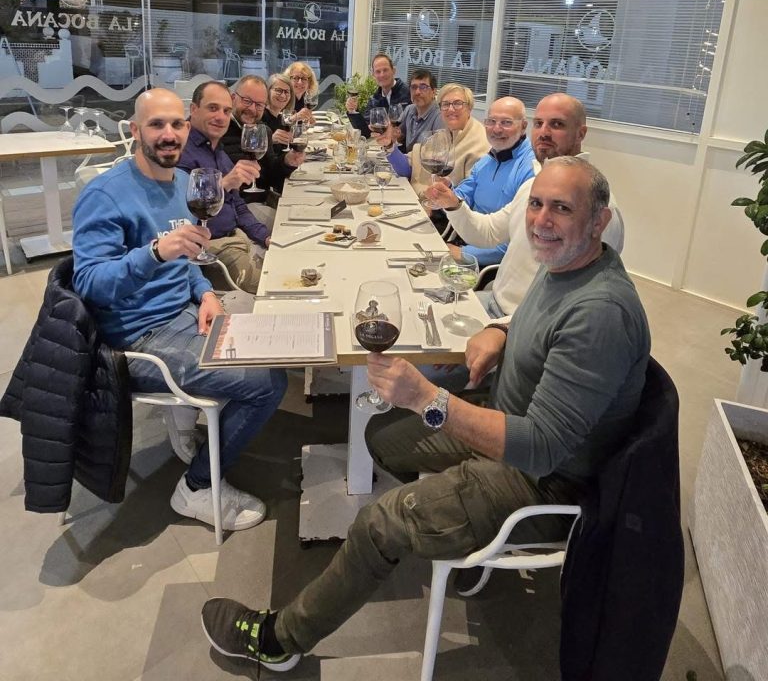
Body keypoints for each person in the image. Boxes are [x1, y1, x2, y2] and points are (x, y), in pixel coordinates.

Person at [201, 158, 650, 671]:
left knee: (378, 522)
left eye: (562, 209)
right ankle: (455, 514)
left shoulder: (600, 314)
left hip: (542, 482)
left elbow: (542, 447)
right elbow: (535, 324)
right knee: (382, 436)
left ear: (599, 221)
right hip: (507, 425)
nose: (541, 220)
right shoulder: (565, 266)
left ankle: (280, 640)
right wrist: (499, 330)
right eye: (536, 204)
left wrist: (428, 399)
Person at [72, 88, 287, 532]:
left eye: (175, 125)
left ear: (187, 128)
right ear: (136, 131)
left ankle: (198, 429)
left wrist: (204, 294)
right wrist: (154, 251)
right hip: (139, 338)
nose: (168, 134)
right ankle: (196, 487)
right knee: (268, 382)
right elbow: (89, 284)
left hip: (186, 314)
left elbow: (186, 259)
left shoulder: (181, 184)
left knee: (277, 338)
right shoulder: (105, 195)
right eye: (156, 125)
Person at [426, 92, 625, 320]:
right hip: (493, 302)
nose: (544, 132)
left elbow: (579, 304)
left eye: (557, 124)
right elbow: (488, 232)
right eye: (539, 123)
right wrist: (453, 205)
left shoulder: (597, 206)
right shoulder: (534, 184)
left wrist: (503, 329)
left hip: (520, 323)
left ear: (581, 133)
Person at [179, 80, 271, 293]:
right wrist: (225, 183)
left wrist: (265, 236)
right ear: (194, 109)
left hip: (237, 238)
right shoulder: (181, 150)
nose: (221, 117)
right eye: (213, 108)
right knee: (276, 283)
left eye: (226, 111)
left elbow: (238, 206)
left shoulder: (217, 149)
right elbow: (180, 211)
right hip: (213, 249)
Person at [448, 96, 535, 267]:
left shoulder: (531, 170)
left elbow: (517, 239)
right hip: (464, 238)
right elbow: (464, 194)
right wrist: (447, 193)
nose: (496, 129)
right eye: (491, 121)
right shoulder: (488, 158)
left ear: (524, 126)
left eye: (506, 122)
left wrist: (464, 253)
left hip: (487, 264)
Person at [218, 74, 304, 229]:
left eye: (259, 105)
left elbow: (271, 178)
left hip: (261, 200)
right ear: (233, 98)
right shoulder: (219, 130)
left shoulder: (263, 130)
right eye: (247, 101)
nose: (252, 109)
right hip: (235, 208)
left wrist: (286, 162)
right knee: (289, 227)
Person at [376, 83, 488, 199]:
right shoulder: (443, 136)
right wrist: (389, 145)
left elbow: (473, 197)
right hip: (426, 200)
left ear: (469, 108)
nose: (450, 109)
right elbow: (408, 169)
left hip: (446, 208)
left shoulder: (479, 143)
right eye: (445, 104)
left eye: (457, 103)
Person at [346, 52, 410, 138]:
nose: (382, 75)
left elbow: (411, 127)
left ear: (393, 71)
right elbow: (364, 132)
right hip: (384, 144)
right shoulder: (374, 99)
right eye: (378, 71)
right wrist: (353, 111)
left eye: (385, 70)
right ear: (373, 75)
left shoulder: (408, 93)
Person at [398, 70, 441, 152]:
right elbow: (399, 136)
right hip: (408, 158)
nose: (417, 92)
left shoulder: (440, 117)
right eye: (414, 87)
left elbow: (439, 153)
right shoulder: (409, 109)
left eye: (423, 87)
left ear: (433, 92)